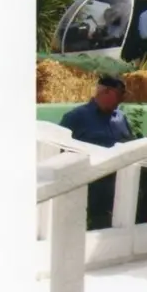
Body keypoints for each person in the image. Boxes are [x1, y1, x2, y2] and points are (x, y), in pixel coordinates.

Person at [59, 76, 134, 230]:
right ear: (106, 91)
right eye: (119, 95)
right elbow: (60, 152)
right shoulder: (75, 118)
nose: (121, 100)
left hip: (119, 190)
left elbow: (131, 145)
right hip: (90, 191)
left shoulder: (121, 118)